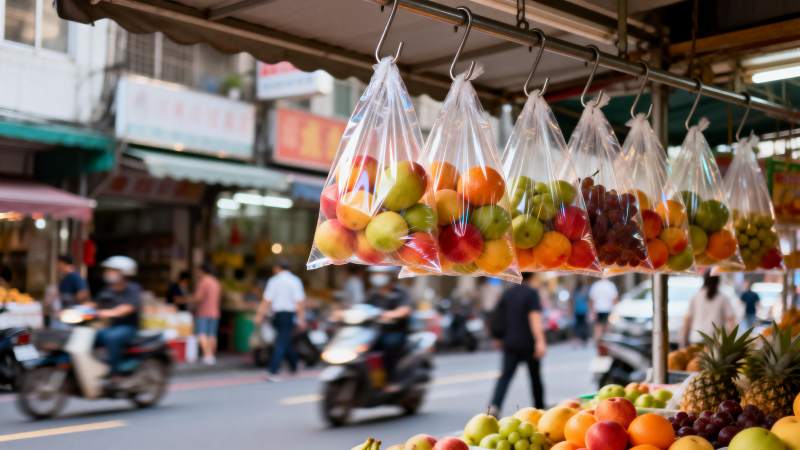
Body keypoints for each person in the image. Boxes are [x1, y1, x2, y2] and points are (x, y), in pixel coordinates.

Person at [488, 272, 546, 415]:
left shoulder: (508, 293)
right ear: (532, 276)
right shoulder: (531, 293)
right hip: (528, 343)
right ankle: (539, 408)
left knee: (505, 376)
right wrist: (540, 341)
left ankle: (495, 405)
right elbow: (534, 318)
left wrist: (497, 337)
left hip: (510, 342)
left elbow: (497, 316)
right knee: (535, 377)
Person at [255, 260, 306, 381]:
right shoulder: (295, 281)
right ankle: (294, 365)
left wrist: (259, 315)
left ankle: (273, 370)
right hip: (289, 315)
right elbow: (299, 302)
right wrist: (301, 318)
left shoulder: (274, 281)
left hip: (277, 315)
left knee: (282, 341)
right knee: (284, 340)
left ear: (278, 268)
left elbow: (267, 300)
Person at [94, 256, 141, 378]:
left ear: (123, 273)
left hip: (128, 328)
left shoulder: (133, 289)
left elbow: (128, 308)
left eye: (113, 270)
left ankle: (115, 373)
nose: (108, 273)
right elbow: (95, 304)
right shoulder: (107, 290)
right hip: (111, 326)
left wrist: (108, 313)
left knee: (112, 338)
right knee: (91, 336)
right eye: (108, 270)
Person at [365, 267, 412, 385]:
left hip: (395, 331)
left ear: (390, 275)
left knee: (390, 346)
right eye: (376, 273)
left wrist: (390, 314)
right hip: (375, 331)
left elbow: (405, 309)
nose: (378, 276)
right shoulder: (372, 294)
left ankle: (392, 380)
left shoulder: (401, 292)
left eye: (381, 273)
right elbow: (362, 308)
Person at [682, 272, 737, 346]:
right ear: (718, 281)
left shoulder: (696, 296)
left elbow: (687, 319)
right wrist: (731, 341)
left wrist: (683, 339)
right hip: (715, 340)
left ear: (704, 280)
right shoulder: (723, 298)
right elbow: (731, 320)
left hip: (696, 338)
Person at [193, 263, 221, 365]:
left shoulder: (203, 282)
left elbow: (198, 297)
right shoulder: (216, 282)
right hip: (215, 312)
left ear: (202, 271)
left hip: (204, 311)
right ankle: (211, 356)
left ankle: (207, 355)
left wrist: (192, 300)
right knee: (212, 335)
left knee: (202, 334)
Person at [571, 279, 591, 345]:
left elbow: (573, 302)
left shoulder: (575, 291)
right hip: (583, 310)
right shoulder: (585, 291)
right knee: (583, 325)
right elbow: (588, 301)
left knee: (579, 325)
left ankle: (581, 338)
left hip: (578, 310)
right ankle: (584, 338)